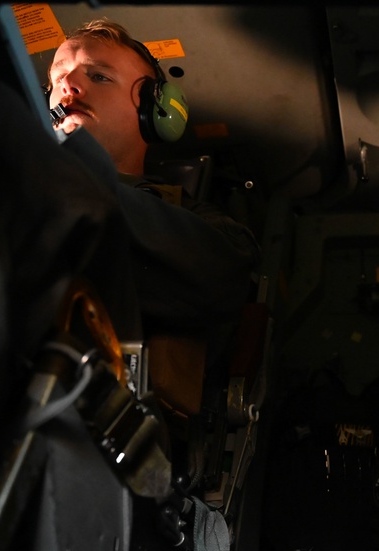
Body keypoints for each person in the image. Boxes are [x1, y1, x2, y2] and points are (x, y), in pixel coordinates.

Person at [46, 18, 261, 337]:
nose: (68, 84)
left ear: (154, 112)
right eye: (57, 77)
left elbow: (224, 279)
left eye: (100, 76)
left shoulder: (202, 225)